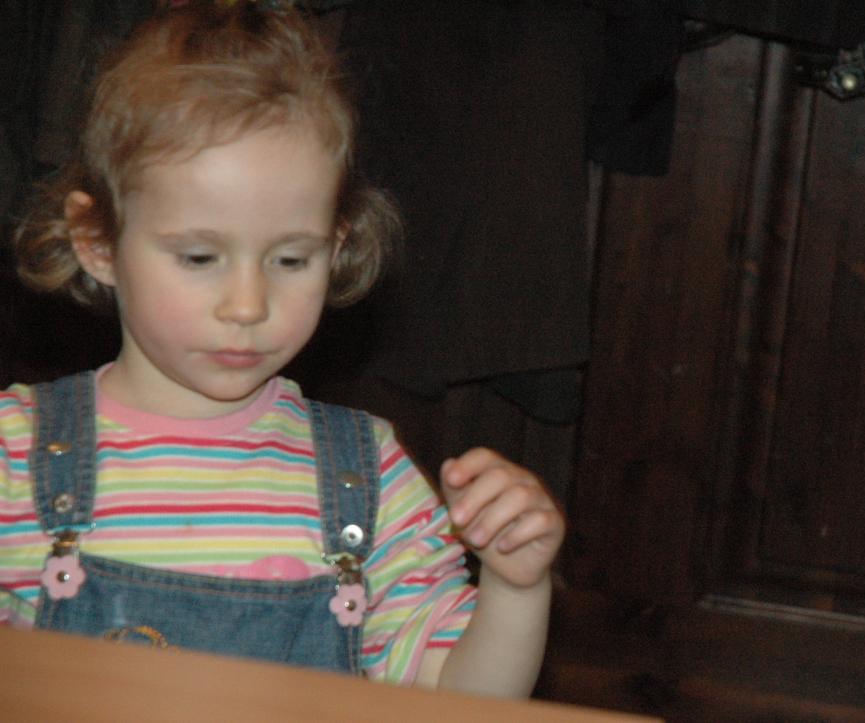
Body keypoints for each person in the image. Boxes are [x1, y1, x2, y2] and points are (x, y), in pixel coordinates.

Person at [0, 0, 563, 698]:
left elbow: (461, 701)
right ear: (98, 242)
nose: (248, 305)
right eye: (200, 256)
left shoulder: (365, 476)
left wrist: (516, 587)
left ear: (338, 245)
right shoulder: (14, 455)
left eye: (291, 259)